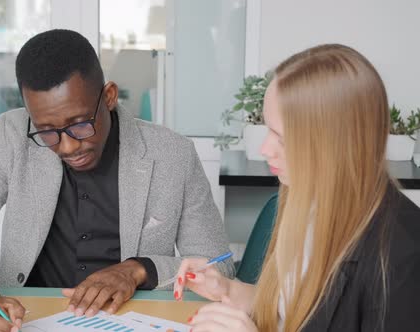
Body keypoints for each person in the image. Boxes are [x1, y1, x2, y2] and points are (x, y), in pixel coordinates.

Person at [0, 29, 234, 332]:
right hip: (29, 320)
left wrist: (140, 269)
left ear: (109, 96)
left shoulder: (173, 154)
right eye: (46, 131)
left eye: (80, 125)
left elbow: (218, 266)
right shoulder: (11, 135)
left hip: (130, 320)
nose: (68, 146)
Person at [174, 44, 420, 331]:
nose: (266, 149)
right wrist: (226, 290)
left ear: (334, 145)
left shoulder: (404, 256)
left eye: (282, 138)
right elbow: (292, 311)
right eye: (268, 130)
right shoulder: (306, 199)